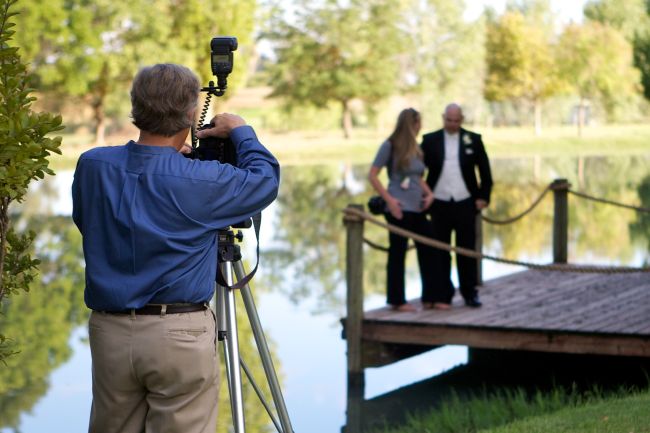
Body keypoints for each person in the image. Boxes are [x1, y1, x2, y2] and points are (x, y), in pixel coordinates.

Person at [71, 63, 280, 433]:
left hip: (111, 334)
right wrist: (241, 131)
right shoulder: (202, 180)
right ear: (189, 113)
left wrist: (169, 166)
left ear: (136, 107)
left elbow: (90, 222)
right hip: (180, 334)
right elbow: (264, 181)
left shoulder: (93, 165)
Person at [421, 103, 492, 308]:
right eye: (448, 120)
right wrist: (424, 196)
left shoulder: (474, 140)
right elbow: (418, 172)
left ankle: (469, 292)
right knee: (440, 250)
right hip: (439, 203)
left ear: (461, 119)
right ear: (443, 118)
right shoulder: (429, 140)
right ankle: (444, 292)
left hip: (465, 202)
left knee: (466, 249)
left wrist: (483, 197)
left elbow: (485, 172)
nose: (452, 124)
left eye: (456, 120)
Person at [368, 108, 440, 312]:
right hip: (399, 208)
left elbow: (417, 177)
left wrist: (430, 194)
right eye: (418, 123)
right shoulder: (389, 146)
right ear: (411, 124)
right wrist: (390, 202)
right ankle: (397, 300)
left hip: (417, 208)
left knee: (429, 248)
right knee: (398, 253)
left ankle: (430, 297)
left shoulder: (416, 148)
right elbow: (373, 175)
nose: (420, 127)